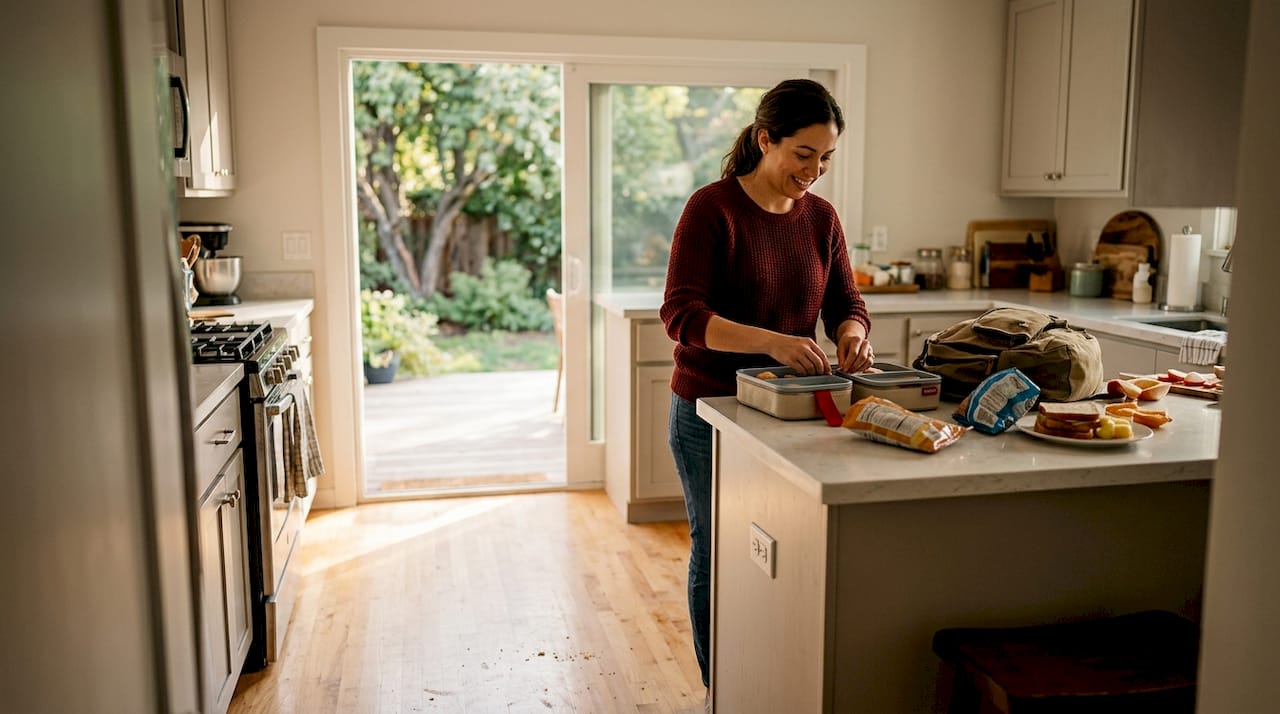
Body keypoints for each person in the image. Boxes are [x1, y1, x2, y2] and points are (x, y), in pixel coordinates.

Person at [659, 78, 873, 697]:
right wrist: (772, 340)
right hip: (709, 409)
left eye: (826, 158)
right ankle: (718, 688)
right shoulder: (712, 209)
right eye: (802, 154)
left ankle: (766, 675)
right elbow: (682, 315)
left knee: (779, 547)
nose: (814, 171)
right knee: (718, 545)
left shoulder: (820, 218)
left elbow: (846, 302)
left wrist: (852, 334)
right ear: (764, 140)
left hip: (791, 412)